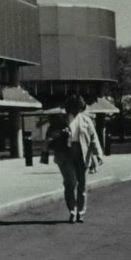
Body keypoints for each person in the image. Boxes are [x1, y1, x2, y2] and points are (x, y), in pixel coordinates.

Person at [48, 94, 103, 223]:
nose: (77, 110)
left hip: (82, 153)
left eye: (79, 108)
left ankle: (81, 212)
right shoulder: (60, 120)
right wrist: (61, 133)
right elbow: (51, 134)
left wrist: (98, 154)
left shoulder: (86, 120)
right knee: (70, 183)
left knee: (82, 185)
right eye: (74, 108)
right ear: (69, 108)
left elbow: (93, 138)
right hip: (64, 154)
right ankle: (72, 210)